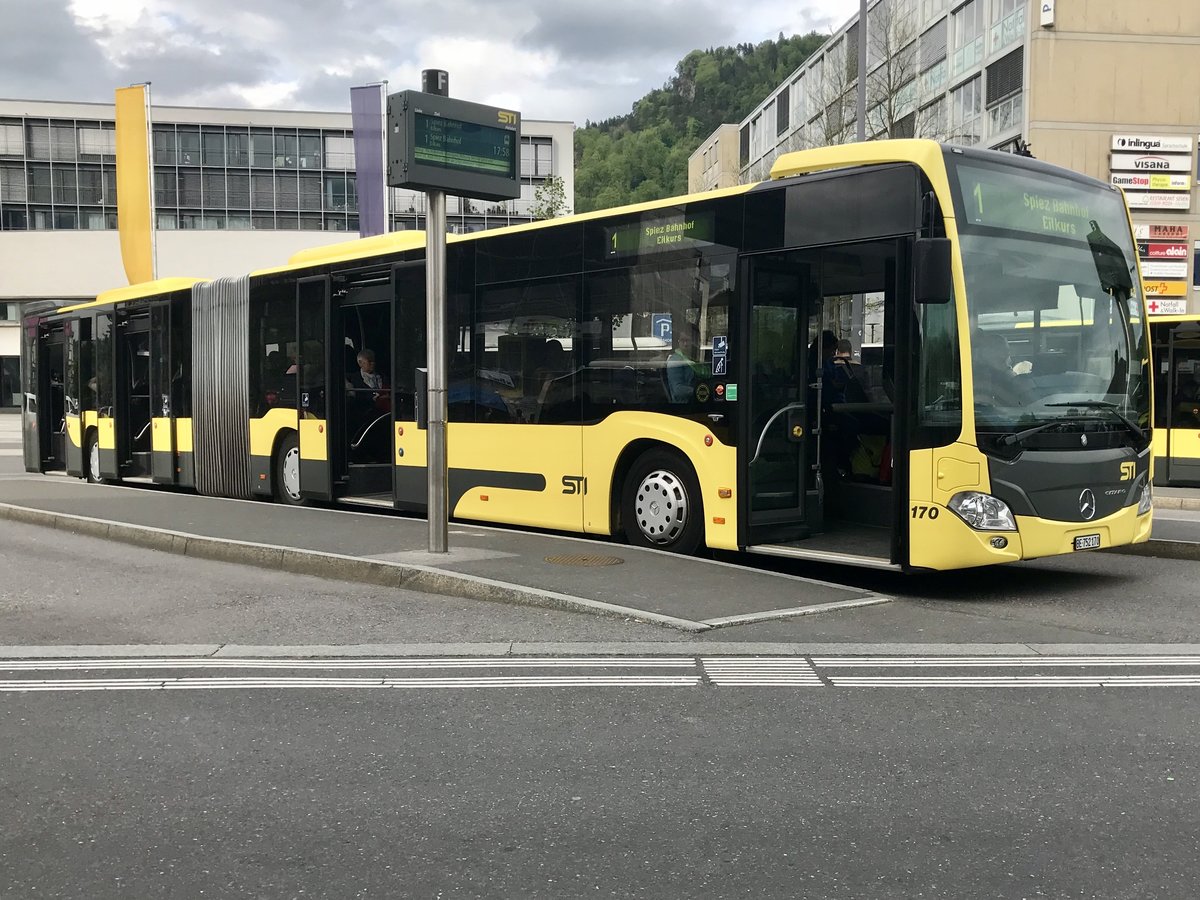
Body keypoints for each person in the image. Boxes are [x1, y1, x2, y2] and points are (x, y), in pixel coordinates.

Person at [666, 328, 705, 403]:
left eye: (688, 340)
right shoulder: (675, 361)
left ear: (697, 342)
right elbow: (678, 390)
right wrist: (700, 391)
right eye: (682, 340)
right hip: (684, 406)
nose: (685, 344)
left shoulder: (693, 359)